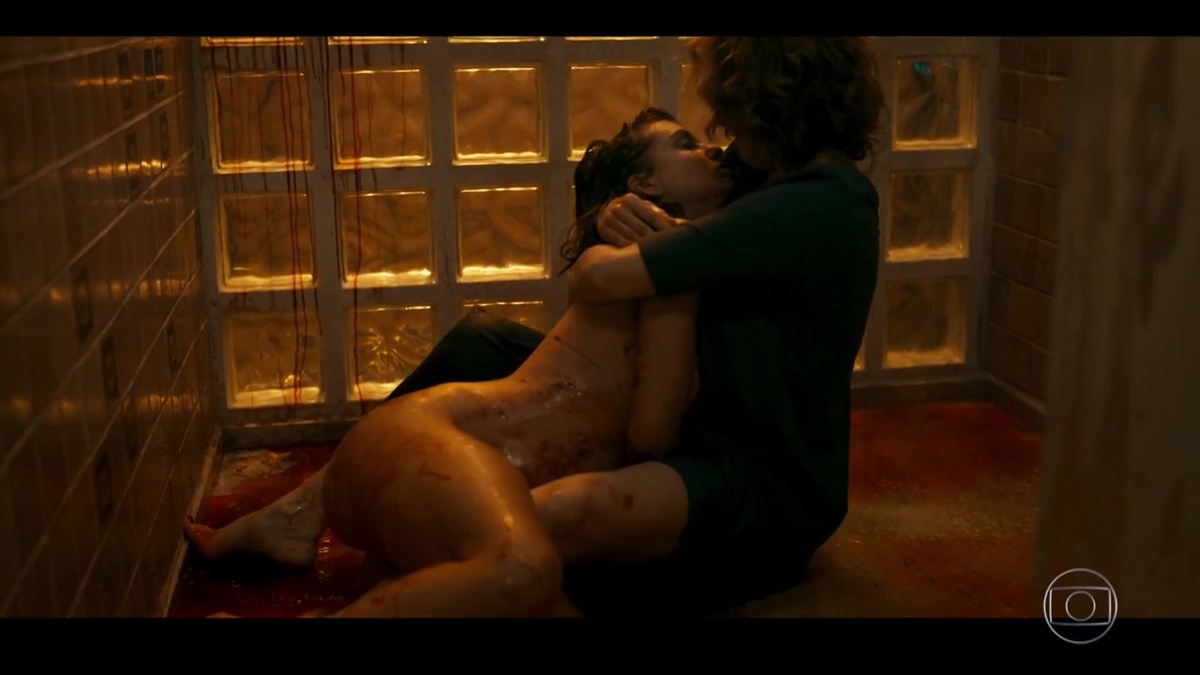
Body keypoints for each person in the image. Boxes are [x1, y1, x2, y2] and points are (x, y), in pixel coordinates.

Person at [382, 36, 885, 617]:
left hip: (758, 479)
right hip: (698, 418)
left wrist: (620, 245)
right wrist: (610, 212)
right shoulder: (766, 175)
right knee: (483, 342)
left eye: (729, 108)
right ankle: (344, 491)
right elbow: (649, 205)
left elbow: (600, 281)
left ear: (766, 103)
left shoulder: (814, 204)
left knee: (532, 524)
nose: (720, 129)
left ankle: (415, 544)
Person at [184, 107, 735, 617]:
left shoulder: (669, 260)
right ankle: (299, 515)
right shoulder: (651, 270)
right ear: (644, 185)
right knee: (523, 569)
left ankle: (336, 544)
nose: (714, 150)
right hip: (420, 442)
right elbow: (650, 440)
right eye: (687, 144)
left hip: (439, 469)